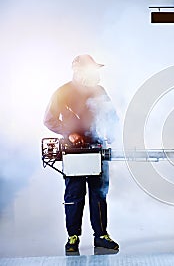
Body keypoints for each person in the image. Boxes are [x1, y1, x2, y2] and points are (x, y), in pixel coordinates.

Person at [43, 54, 119, 254]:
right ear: (78, 71)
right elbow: (49, 120)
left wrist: (111, 133)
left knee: (99, 194)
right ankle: (73, 237)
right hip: (73, 151)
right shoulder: (63, 92)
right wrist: (69, 133)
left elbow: (112, 116)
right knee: (74, 195)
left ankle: (101, 236)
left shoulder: (99, 91)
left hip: (97, 148)